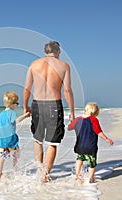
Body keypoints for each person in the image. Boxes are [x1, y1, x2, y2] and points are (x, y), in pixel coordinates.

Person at [22, 41, 75, 182]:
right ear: (58, 52)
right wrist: (72, 112)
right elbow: (67, 90)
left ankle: (40, 168)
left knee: (37, 139)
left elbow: (27, 88)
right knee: (53, 142)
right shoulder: (64, 66)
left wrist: (25, 106)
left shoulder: (34, 65)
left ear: (45, 51)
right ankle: (45, 175)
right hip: (54, 105)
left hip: (37, 104)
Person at [67, 102, 114, 183]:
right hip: (90, 147)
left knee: (79, 159)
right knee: (92, 163)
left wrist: (70, 123)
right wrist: (107, 139)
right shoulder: (94, 120)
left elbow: (69, 128)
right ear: (95, 113)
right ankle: (91, 178)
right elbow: (98, 132)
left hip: (79, 146)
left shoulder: (77, 119)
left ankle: (77, 175)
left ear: (85, 110)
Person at [0, 91, 30, 179]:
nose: (17, 105)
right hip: (11, 140)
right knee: (17, 153)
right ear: (12, 104)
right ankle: (15, 169)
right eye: (17, 103)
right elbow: (16, 121)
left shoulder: (0, 115)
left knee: (2, 158)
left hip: (1, 140)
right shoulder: (12, 113)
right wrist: (25, 116)